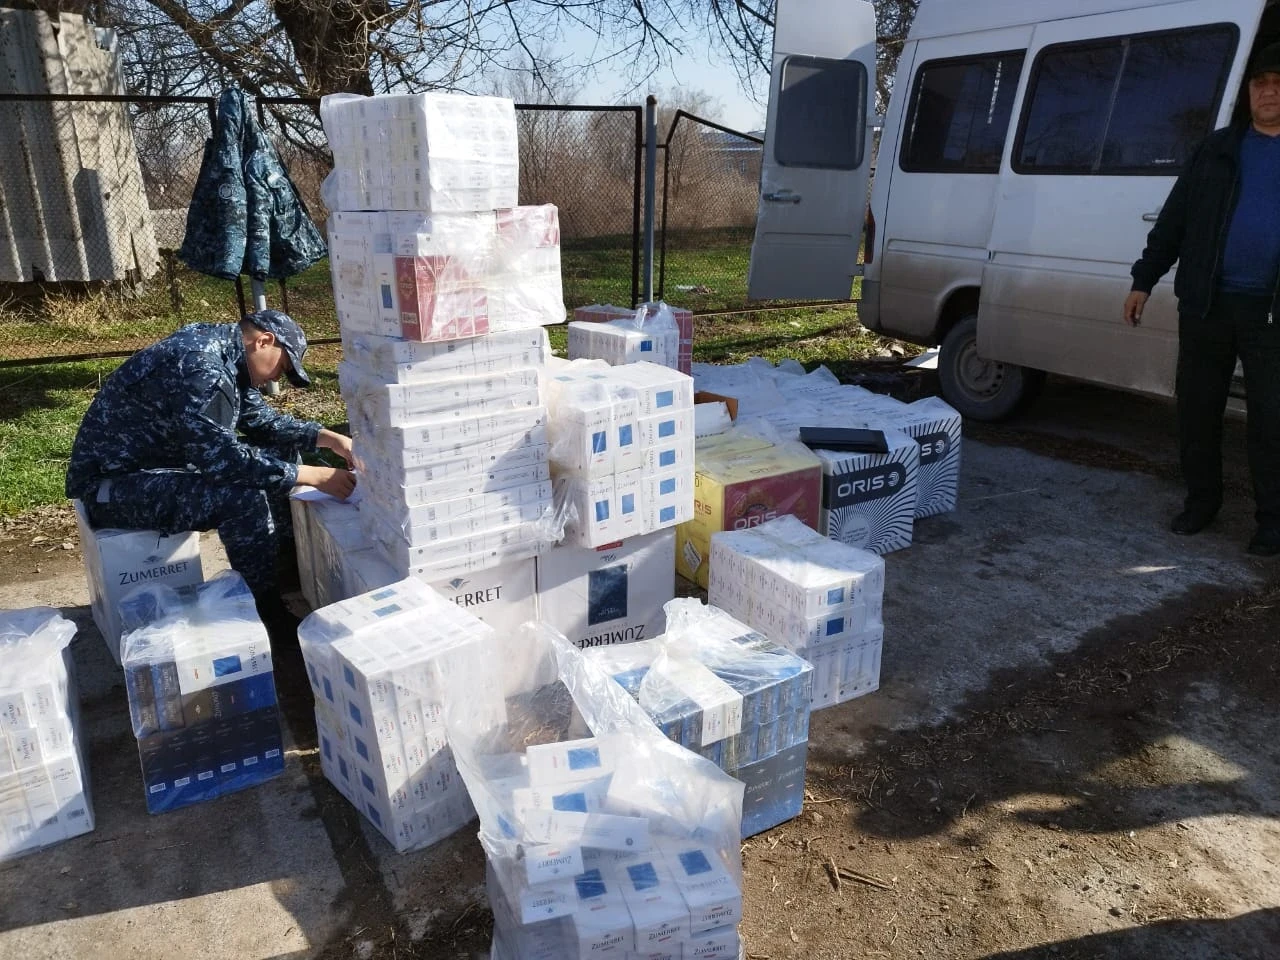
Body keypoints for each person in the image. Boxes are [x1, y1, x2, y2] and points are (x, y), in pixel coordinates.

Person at [65, 310, 358, 625]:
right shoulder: (203, 366)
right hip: (113, 487)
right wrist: (313, 475)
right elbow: (221, 462)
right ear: (264, 341)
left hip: (152, 468)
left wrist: (328, 438)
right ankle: (265, 612)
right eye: (283, 366)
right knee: (241, 500)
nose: (277, 378)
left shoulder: (224, 352)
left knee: (281, 452)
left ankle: (282, 574)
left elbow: (261, 422)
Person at [1125, 42, 1280, 558]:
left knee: (1271, 418)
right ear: (1248, 92)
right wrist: (1143, 280)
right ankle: (1201, 503)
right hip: (1206, 303)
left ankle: (1272, 521)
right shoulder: (1215, 150)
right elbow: (1174, 221)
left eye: (1279, 84)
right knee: (1197, 410)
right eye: (1260, 83)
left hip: (1271, 312)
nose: (1269, 93)